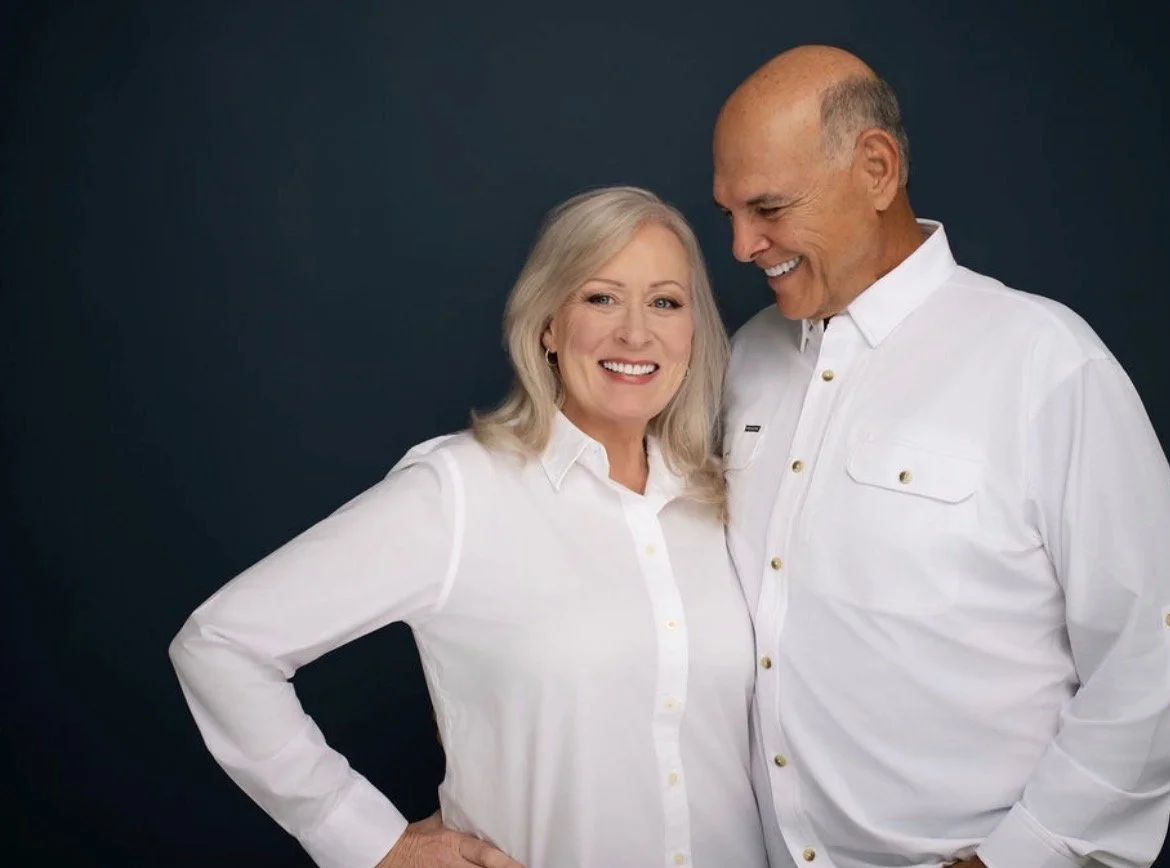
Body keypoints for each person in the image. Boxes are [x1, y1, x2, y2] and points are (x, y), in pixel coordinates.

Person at [711, 46, 1170, 868]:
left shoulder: (1044, 359)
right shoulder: (744, 360)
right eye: (730, 212)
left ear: (876, 169)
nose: (742, 245)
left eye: (768, 207)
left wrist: (1020, 856)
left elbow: (1161, 651)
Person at [169, 185, 771, 868]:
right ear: (548, 324)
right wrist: (371, 842)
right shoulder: (458, 491)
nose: (636, 332)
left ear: (693, 331)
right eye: (601, 297)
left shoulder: (723, 497)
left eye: (665, 302)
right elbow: (221, 645)